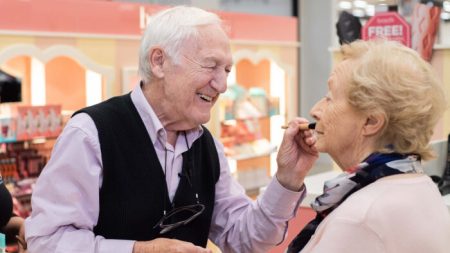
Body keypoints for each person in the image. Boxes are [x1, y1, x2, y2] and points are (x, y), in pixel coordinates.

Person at [24, 6, 318, 253]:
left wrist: (288, 179)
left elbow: (245, 238)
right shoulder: (90, 135)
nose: (222, 85)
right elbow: (47, 241)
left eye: (226, 70)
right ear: (159, 61)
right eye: (210, 66)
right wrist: (138, 250)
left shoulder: (207, 146)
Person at [287, 39, 450, 253]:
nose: (315, 110)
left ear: (371, 122)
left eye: (329, 98)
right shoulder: (422, 187)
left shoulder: (359, 219)